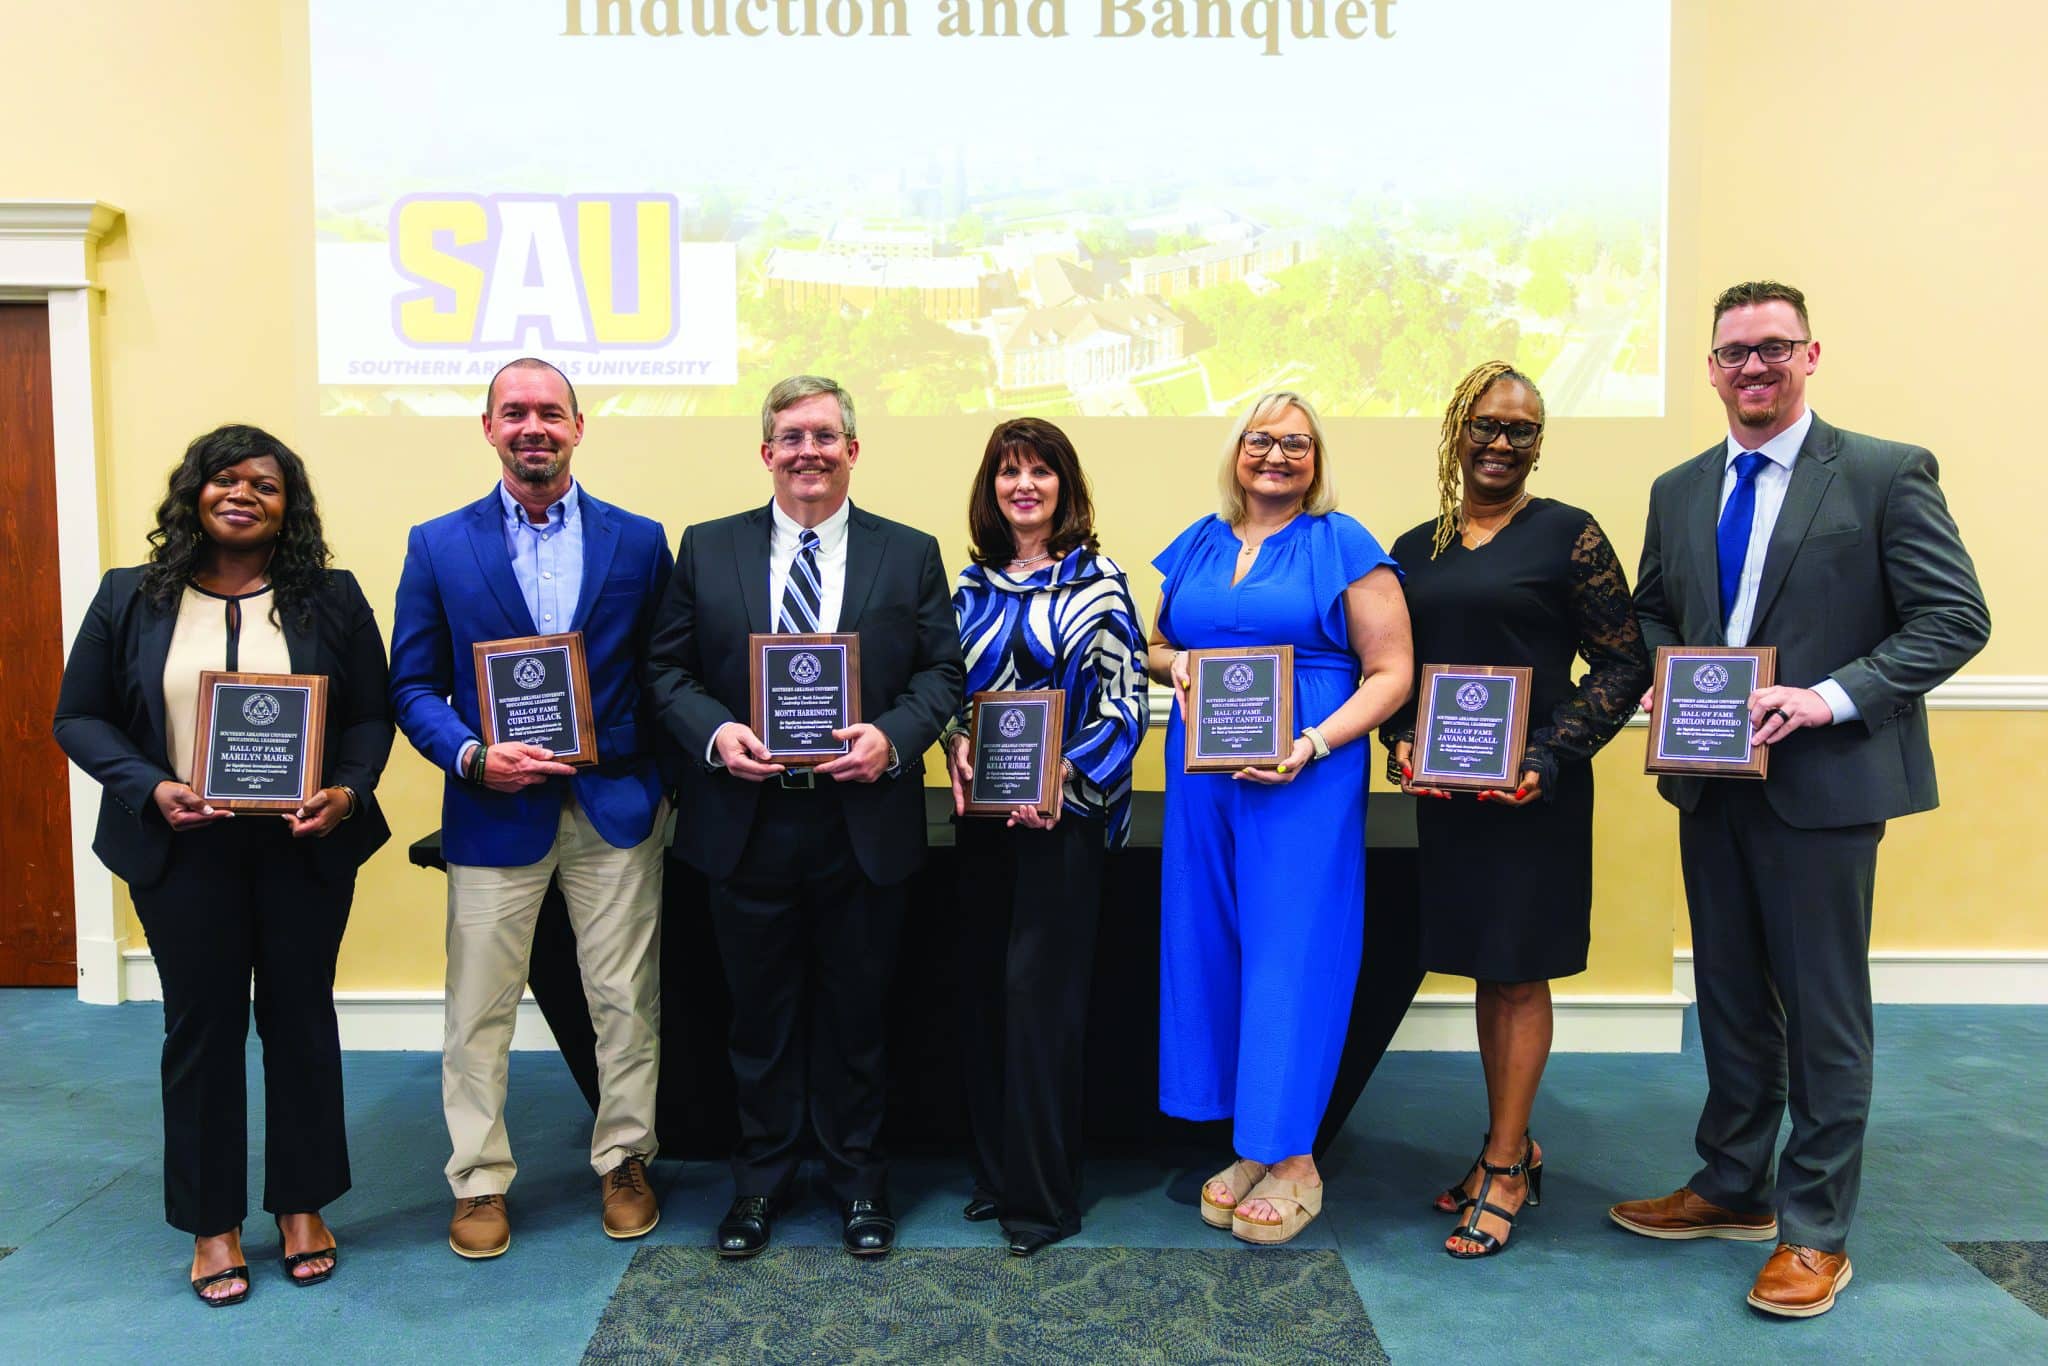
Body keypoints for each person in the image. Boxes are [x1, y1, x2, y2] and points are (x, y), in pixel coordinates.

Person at [1613, 282, 1989, 1317]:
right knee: (1730, 994)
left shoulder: (1881, 472)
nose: (1754, 367)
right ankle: (1733, 1183)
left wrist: (1826, 698)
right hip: (1709, 780)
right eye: (1735, 352)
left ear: (1809, 355)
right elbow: (1653, 609)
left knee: (1822, 1011)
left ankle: (1813, 1230)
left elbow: (1953, 618)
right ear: (1709, 368)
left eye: (1773, 347)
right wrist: (1664, 675)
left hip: (1823, 783)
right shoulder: (1679, 487)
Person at [53, 425, 394, 1305]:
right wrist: (149, 787)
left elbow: (369, 715)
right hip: (180, 845)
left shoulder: (331, 597)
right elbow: (78, 716)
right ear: (194, 492)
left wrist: (347, 792)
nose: (243, 494)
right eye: (226, 479)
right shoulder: (129, 596)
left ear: (289, 508)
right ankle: (212, 1223)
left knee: (300, 1019)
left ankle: (303, 1205)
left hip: (303, 845)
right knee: (200, 1029)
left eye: (265, 485)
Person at [647, 375, 963, 1260]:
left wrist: (892, 738)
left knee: (859, 1017)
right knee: (759, 1017)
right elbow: (666, 672)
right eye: (791, 437)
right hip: (746, 820)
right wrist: (717, 736)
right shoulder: (707, 548)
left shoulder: (910, 552)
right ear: (766, 453)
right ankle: (761, 1182)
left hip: (862, 820)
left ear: (852, 450)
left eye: (825, 435)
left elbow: (942, 673)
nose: (808, 452)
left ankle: (860, 1182)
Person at [388, 358, 673, 1259]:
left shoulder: (639, 541)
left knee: (625, 1001)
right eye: (515, 412)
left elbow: (665, 673)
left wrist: (663, 779)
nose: (533, 427)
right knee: (479, 1008)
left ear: (579, 427)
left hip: (614, 806)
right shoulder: (437, 544)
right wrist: (473, 755)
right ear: (489, 428)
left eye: (551, 412)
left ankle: (625, 1159)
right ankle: (478, 1178)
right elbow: (412, 684)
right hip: (492, 810)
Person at [1380, 362, 1651, 1258]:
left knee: (1519, 972)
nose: (1501, 442)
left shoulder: (1570, 534)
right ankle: (1512, 1143)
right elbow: (1398, 671)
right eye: (1486, 425)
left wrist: (1547, 754)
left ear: (1539, 442)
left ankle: (1504, 1166)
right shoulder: (1414, 547)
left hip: (1533, 794)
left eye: (1521, 430)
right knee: (1484, 969)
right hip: (1451, 795)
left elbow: (1624, 663)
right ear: (1456, 431)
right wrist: (1401, 742)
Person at [1146, 392, 1412, 1245]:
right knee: (1210, 945)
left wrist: (1312, 743)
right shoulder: (1199, 540)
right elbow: (1155, 643)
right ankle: (1250, 1144)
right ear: (1236, 450)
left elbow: (1392, 672)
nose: (1277, 455)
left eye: (1296, 443)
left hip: (1305, 773)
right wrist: (1176, 663)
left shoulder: (1344, 544)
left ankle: (1294, 1157)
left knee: (1290, 953)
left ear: (1316, 458)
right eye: (1261, 440)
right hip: (1203, 775)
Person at [940, 418, 1148, 1257]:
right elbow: (946, 689)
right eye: (1008, 472)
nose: (1023, 485)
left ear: (1066, 485)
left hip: (1065, 820)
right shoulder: (969, 587)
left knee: (1040, 1007)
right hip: (985, 823)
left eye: (1039, 471)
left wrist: (1064, 774)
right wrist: (954, 738)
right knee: (987, 999)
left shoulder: (1101, 582)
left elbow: (1126, 702)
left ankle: (1042, 1199)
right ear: (990, 488)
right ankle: (997, 1175)